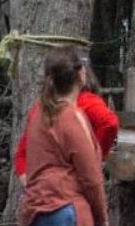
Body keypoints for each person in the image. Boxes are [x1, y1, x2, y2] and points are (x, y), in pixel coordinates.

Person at [19, 46, 107, 226]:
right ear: (81, 74)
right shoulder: (72, 117)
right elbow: (91, 178)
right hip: (66, 211)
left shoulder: (38, 114)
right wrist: (102, 219)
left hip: (36, 212)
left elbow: (24, 160)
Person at [15, 60, 118, 184]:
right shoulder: (88, 102)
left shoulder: (39, 108)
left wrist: (31, 187)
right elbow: (109, 123)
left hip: (44, 188)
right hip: (73, 187)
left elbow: (22, 154)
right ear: (82, 77)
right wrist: (97, 155)